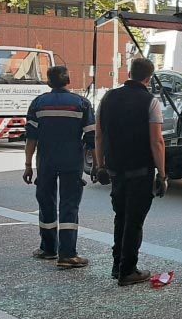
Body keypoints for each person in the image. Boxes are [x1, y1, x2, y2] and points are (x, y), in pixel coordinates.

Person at [93, 57, 168, 286]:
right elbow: (157, 142)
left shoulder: (107, 98)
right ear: (149, 77)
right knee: (134, 221)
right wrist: (162, 175)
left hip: (115, 169)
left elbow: (99, 135)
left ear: (129, 72)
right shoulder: (150, 102)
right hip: (140, 171)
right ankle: (128, 270)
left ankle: (117, 265)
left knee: (121, 217)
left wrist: (100, 165)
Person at [23, 65, 95, 268]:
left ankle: (48, 249)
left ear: (48, 82)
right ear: (68, 81)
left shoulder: (38, 104)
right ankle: (67, 254)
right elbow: (91, 138)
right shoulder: (81, 103)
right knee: (69, 205)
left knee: (46, 203)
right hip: (72, 162)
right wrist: (98, 165)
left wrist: (28, 165)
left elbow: (31, 137)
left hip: (46, 162)